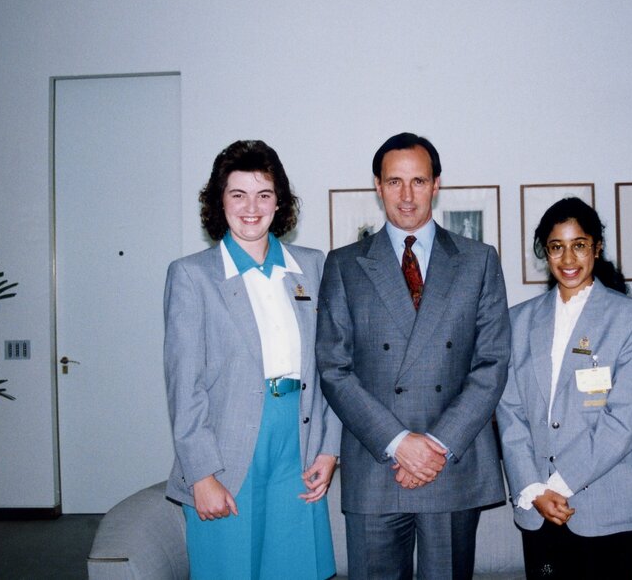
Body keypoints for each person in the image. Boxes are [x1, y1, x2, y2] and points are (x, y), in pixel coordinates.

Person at [316, 132, 511, 579]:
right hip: (375, 463)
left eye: (418, 181)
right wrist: (399, 443)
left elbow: (492, 362)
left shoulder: (478, 260)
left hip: (450, 463)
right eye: (395, 182)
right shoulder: (344, 264)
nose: (406, 196)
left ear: (436, 185)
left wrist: (435, 446)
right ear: (378, 186)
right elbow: (334, 368)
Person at [163, 140, 340, 579]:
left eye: (263, 194)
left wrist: (329, 448)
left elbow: (332, 367)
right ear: (218, 201)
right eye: (237, 194)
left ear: (279, 202)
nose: (251, 207)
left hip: (297, 446)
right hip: (225, 452)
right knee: (230, 567)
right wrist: (201, 474)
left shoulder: (313, 267)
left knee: (295, 567)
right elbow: (184, 386)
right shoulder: (191, 275)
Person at [496, 197, 632, 579]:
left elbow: (626, 421)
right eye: (557, 247)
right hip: (538, 508)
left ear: (596, 248)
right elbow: (509, 412)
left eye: (579, 245)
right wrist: (533, 488)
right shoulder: (517, 322)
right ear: (546, 253)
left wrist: (560, 483)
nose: (568, 259)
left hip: (606, 511)